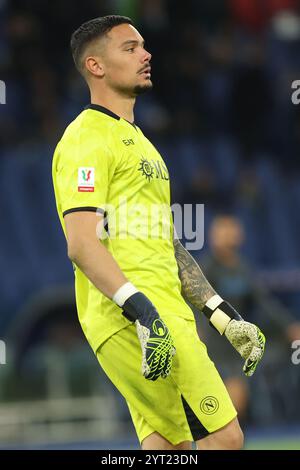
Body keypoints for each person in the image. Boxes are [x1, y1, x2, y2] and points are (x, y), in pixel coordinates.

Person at [52, 15, 265, 450]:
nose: (146, 55)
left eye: (144, 46)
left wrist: (222, 315)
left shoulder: (140, 142)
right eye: (130, 49)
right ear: (96, 66)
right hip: (138, 319)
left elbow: (166, 242)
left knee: (167, 445)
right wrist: (145, 314)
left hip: (163, 315)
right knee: (224, 438)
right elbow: (81, 243)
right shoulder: (85, 139)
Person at [198, 214, 300, 423]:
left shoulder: (242, 268)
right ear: (213, 236)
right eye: (222, 231)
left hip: (235, 347)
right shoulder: (205, 268)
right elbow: (195, 304)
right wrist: (197, 333)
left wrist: (289, 325)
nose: (228, 236)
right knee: (222, 407)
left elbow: (263, 302)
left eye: (231, 230)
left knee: (237, 406)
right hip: (212, 346)